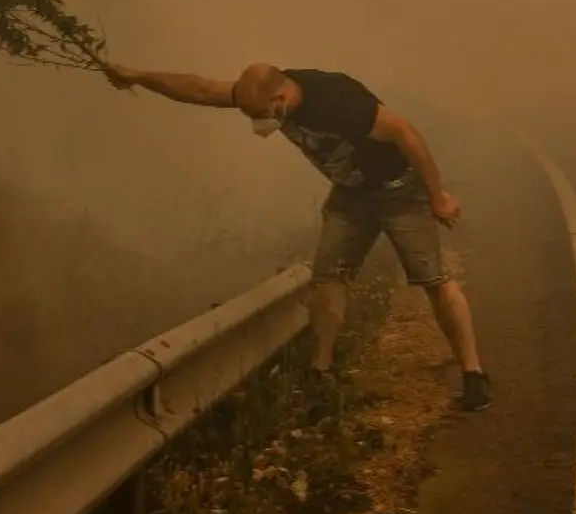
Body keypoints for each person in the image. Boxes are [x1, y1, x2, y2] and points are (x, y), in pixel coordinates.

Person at [103, 60, 493, 411]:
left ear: (282, 97)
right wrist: (138, 75)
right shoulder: (260, 91)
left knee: (432, 279)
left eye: (262, 114)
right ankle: (320, 372)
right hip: (350, 195)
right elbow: (200, 89)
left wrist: (437, 196)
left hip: (398, 191)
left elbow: (406, 134)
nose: (259, 123)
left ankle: (473, 373)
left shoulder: (338, 100)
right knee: (329, 277)